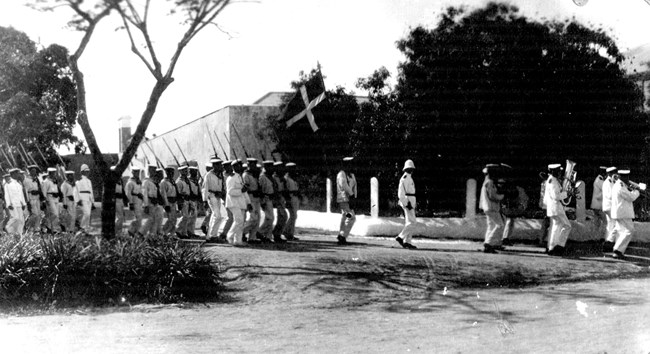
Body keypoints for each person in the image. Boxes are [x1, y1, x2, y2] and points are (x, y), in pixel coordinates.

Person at [610, 169, 640, 259]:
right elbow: (630, 197)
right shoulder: (620, 186)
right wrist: (637, 191)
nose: (627, 178)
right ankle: (617, 250)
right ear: (620, 176)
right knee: (629, 230)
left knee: (622, 231)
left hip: (621, 212)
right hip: (623, 213)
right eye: (625, 176)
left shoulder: (621, 184)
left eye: (627, 176)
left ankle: (618, 251)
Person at [544, 163, 572, 256]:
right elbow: (556, 196)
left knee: (556, 227)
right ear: (552, 171)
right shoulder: (553, 181)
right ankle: (559, 246)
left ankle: (552, 248)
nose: (560, 172)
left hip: (554, 208)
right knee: (567, 226)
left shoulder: (552, 180)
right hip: (556, 207)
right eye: (558, 171)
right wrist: (567, 194)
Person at [479, 164, 504, 253]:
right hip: (491, 207)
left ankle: (488, 243)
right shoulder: (490, 182)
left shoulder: (487, 182)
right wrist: (502, 196)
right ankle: (489, 243)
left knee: (491, 226)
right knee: (500, 225)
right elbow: (492, 196)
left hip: (488, 207)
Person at [225, 160, 250, 245]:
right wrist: (241, 190)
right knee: (238, 220)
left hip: (240, 202)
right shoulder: (231, 178)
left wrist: (248, 202)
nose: (240, 167)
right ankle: (229, 235)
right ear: (233, 168)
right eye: (237, 166)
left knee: (241, 221)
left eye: (240, 166)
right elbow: (230, 192)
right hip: (233, 202)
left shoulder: (240, 177)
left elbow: (244, 191)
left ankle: (238, 241)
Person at [395, 159, 418, 249]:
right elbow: (400, 194)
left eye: (411, 168)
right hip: (408, 202)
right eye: (409, 168)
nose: (410, 170)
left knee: (410, 222)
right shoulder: (404, 178)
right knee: (413, 222)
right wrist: (406, 203)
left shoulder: (409, 177)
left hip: (411, 201)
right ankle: (401, 237)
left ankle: (407, 241)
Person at [202, 157, 224, 242]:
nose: (220, 166)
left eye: (220, 164)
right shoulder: (209, 175)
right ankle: (213, 235)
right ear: (214, 165)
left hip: (218, 197)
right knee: (217, 216)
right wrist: (204, 200)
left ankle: (209, 236)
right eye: (218, 164)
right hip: (211, 196)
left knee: (214, 217)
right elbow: (205, 188)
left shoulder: (219, 174)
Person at [336, 157, 357, 245]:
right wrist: (351, 194)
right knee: (351, 217)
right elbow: (343, 185)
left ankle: (341, 235)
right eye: (349, 163)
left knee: (345, 216)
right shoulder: (341, 174)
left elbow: (354, 186)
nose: (350, 165)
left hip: (350, 199)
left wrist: (354, 197)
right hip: (343, 199)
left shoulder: (351, 175)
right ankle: (342, 236)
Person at [242, 158, 262, 244]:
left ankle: (252, 237)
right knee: (253, 218)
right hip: (250, 198)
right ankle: (241, 232)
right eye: (251, 165)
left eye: (254, 164)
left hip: (256, 198)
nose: (253, 166)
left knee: (257, 218)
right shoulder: (246, 175)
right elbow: (245, 189)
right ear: (248, 165)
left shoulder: (255, 174)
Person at [139, 164, 162, 237]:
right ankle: (141, 232)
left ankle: (152, 235)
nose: (153, 172)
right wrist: (145, 205)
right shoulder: (146, 181)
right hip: (149, 202)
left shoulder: (153, 181)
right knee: (150, 219)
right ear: (148, 171)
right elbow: (144, 194)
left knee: (155, 219)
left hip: (155, 202)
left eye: (154, 170)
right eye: (151, 170)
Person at [4, 168, 27, 235]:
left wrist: (23, 203)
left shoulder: (18, 184)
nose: (18, 175)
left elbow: (21, 195)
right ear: (12, 174)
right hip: (12, 204)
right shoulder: (8, 184)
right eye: (17, 173)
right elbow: (7, 195)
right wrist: (8, 204)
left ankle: (19, 233)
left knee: (21, 220)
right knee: (15, 218)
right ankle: (7, 228)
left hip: (19, 204)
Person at [257, 160, 275, 243]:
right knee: (269, 217)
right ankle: (260, 232)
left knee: (271, 218)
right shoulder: (262, 177)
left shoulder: (270, 176)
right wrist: (262, 201)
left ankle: (268, 236)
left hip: (270, 198)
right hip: (265, 198)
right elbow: (260, 189)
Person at [602, 167, 618, 253]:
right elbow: (609, 195)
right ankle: (609, 242)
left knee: (610, 225)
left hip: (609, 206)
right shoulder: (607, 183)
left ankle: (607, 243)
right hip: (609, 207)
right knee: (616, 224)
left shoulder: (611, 182)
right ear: (609, 174)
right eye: (613, 173)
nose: (615, 175)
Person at [23, 165, 44, 232]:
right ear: (29, 171)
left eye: (35, 171)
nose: (34, 172)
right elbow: (25, 191)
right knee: (34, 214)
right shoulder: (26, 180)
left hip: (37, 198)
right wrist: (27, 201)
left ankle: (37, 228)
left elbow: (40, 188)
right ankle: (28, 226)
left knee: (38, 214)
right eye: (32, 171)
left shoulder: (36, 179)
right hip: (31, 198)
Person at [272, 161, 288, 243]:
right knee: (283, 216)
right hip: (277, 198)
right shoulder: (274, 178)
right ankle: (276, 234)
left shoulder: (282, 178)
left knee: (282, 217)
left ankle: (277, 234)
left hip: (281, 198)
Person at [283, 162, 300, 241]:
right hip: (290, 198)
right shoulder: (286, 179)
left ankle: (289, 233)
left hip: (295, 198)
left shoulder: (293, 179)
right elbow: (286, 191)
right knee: (293, 215)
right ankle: (287, 232)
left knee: (294, 216)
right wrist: (288, 201)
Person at [160, 165, 179, 236]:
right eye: (169, 172)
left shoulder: (173, 181)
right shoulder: (163, 182)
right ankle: (163, 233)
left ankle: (171, 234)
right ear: (166, 173)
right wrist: (166, 205)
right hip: (168, 202)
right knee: (170, 219)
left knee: (174, 219)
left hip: (174, 202)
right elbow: (163, 194)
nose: (171, 174)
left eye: (172, 172)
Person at [41, 167, 61, 233]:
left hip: (56, 197)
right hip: (49, 197)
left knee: (56, 214)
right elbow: (44, 191)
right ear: (49, 174)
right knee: (54, 213)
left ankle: (52, 228)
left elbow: (56, 189)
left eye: (54, 173)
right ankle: (48, 226)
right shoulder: (46, 181)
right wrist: (44, 200)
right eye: (52, 173)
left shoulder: (54, 181)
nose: (54, 175)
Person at [125, 167, 144, 236]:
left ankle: (135, 231)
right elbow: (128, 193)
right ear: (132, 172)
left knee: (139, 217)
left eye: (138, 172)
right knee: (137, 217)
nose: (137, 173)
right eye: (135, 172)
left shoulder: (138, 182)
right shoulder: (130, 182)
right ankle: (131, 230)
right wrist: (130, 203)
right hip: (134, 200)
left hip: (139, 200)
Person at [77, 164, 95, 232]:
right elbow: (77, 191)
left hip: (89, 199)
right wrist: (78, 200)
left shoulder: (89, 181)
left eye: (88, 171)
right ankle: (82, 227)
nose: (87, 173)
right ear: (82, 172)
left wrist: (93, 201)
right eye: (85, 171)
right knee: (86, 213)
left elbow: (91, 191)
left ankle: (86, 229)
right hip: (83, 198)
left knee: (88, 214)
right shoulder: (79, 181)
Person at [219, 160, 234, 240]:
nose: (228, 168)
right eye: (226, 166)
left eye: (229, 166)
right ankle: (223, 233)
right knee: (230, 217)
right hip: (226, 198)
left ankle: (228, 233)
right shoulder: (222, 176)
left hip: (234, 197)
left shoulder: (233, 175)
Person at [175, 165, 191, 238]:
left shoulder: (186, 181)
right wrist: (179, 202)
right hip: (182, 199)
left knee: (186, 217)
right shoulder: (179, 181)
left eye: (186, 170)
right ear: (180, 172)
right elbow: (178, 193)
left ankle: (184, 233)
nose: (186, 172)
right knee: (184, 216)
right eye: (184, 171)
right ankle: (177, 229)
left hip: (187, 200)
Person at [590, 166, 607, 236]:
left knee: (597, 223)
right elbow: (606, 189)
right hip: (598, 205)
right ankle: (604, 235)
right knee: (606, 221)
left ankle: (595, 236)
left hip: (596, 205)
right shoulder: (599, 180)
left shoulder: (600, 179)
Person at [112, 166, 128, 236]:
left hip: (120, 200)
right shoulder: (111, 180)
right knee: (119, 217)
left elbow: (122, 191)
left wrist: (125, 199)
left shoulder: (120, 180)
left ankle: (119, 232)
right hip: (115, 200)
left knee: (121, 217)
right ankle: (115, 232)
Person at [187, 165, 201, 238]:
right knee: (190, 216)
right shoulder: (187, 180)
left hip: (195, 200)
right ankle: (187, 231)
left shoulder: (196, 180)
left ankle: (191, 231)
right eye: (193, 171)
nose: (195, 173)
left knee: (194, 217)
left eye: (196, 171)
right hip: (189, 200)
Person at [537, 171, 551, 246]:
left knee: (546, 222)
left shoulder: (543, 183)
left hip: (545, 205)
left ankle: (542, 239)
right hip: (547, 205)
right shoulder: (547, 183)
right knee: (546, 223)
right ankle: (542, 240)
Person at [200, 162, 213, 236]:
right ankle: (204, 225)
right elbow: (204, 189)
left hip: (209, 196)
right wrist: (204, 200)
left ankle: (206, 226)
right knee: (210, 212)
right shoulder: (207, 176)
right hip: (208, 197)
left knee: (211, 213)